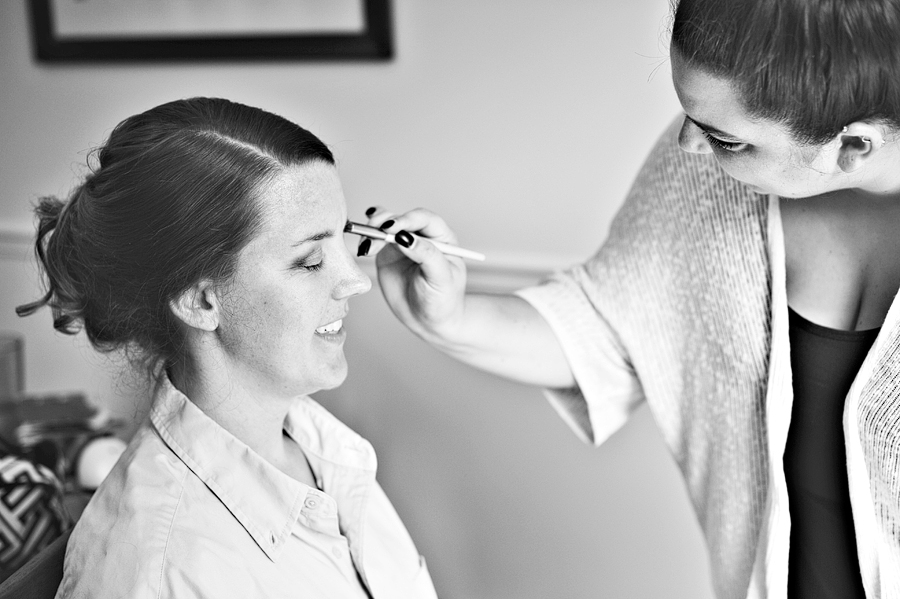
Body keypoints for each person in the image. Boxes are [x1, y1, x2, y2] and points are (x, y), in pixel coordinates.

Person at [358, 0, 900, 597]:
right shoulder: (705, 173)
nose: (689, 144)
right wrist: (448, 317)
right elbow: (610, 328)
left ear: (854, 148)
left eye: (724, 138)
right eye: (688, 116)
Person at [16, 97, 438, 599]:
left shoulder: (330, 452)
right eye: (309, 261)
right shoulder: (163, 574)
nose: (354, 281)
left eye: (343, 242)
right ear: (200, 300)